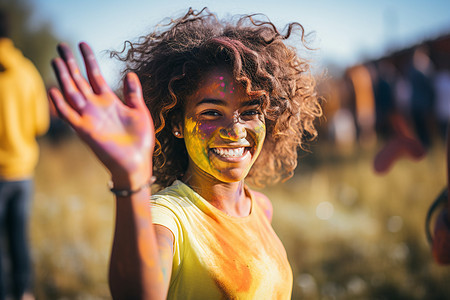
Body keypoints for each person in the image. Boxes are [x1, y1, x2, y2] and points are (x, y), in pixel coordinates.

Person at [49, 8, 322, 299]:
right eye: (212, 112)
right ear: (177, 124)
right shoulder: (167, 217)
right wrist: (129, 177)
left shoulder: (262, 209)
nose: (235, 130)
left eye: (250, 111)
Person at [0, 9, 49, 300]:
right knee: (19, 239)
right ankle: (25, 292)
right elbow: (40, 123)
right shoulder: (27, 71)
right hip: (23, 172)